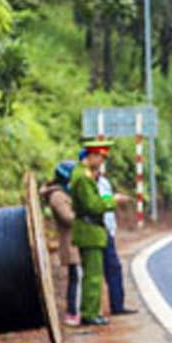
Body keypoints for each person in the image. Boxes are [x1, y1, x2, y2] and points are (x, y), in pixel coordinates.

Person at [69, 140, 129, 325]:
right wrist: (113, 201)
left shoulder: (84, 175)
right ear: (92, 156)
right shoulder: (83, 177)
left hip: (93, 231)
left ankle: (93, 310)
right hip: (89, 231)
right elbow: (92, 205)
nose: (101, 163)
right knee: (93, 275)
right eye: (100, 158)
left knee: (94, 273)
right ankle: (89, 313)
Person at [41, 161, 81, 326]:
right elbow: (68, 218)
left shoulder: (63, 193)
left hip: (75, 241)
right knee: (75, 277)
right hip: (70, 243)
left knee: (76, 277)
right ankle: (73, 312)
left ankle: (75, 311)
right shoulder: (58, 196)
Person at [96, 165, 137, 315]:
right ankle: (91, 311)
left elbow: (106, 201)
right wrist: (114, 200)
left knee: (114, 268)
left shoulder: (104, 182)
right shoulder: (86, 182)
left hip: (108, 229)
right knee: (95, 272)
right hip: (96, 229)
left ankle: (117, 304)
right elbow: (96, 204)